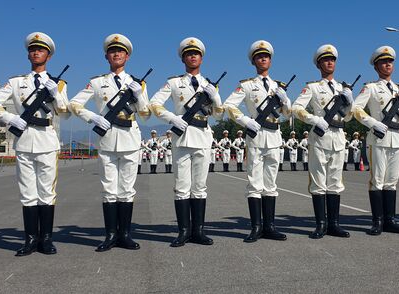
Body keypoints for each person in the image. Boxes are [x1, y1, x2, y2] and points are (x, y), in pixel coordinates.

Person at [0, 32, 70, 256]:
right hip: (24, 141)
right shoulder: (16, 82)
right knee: (27, 193)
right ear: (28, 54)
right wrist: (9, 118)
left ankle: (46, 239)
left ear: (48, 56)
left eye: (40, 50)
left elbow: (65, 112)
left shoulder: (58, 84)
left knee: (47, 193)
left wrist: (56, 95)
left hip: (47, 140)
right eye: (33, 49)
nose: (36, 52)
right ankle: (30, 239)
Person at [70, 33, 149, 251]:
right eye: (113, 51)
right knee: (108, 190)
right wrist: (93, 118)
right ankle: (110, 235)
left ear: (127, 56)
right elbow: (74, 104)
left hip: (130, 139)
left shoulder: (136, 83)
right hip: (106, 140)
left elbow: (145, 115)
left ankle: (125, 234)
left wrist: (139, 95)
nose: (117, 54)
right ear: (107, 56)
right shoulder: (97, 82)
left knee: (126, 189)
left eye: (121, 51)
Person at [149, 37, 224, 247]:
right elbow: (154, 104)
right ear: (183, 58)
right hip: (182, 137)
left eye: (196, 53)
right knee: (182, 187)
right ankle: (183, 231)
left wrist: (215, 97)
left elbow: (218, 114)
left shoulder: (209, 84)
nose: (193, 56)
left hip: (202, 136)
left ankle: (198, 231)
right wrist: (172, 118)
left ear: (202, 58)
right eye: (189, 53)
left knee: (199, 187)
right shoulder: (174, 83)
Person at [224, 40, 292, 242]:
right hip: (255, 136)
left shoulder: (278, 86)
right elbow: (229, 106)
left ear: (270, 60)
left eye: (266, 56)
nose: (263, 59)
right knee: (255, 183)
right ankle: (256, 227)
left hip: (274, 136)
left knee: (270, 183)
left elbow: (288, 114)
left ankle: (270, 226)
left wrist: (285, 100)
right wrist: (246, 121)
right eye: (259, 56)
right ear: (254, 61)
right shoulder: (247, 85)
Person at [292, 44, 352, 238]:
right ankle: (321, 224)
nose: (330, 62)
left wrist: (350, 102)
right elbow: (296, 108)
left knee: (335, 182)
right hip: (319, 138)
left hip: (338, 137)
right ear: (319, 64)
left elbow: (348, 117)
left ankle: (334, 224)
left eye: (332, 59)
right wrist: (314, 119)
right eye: (326, 60)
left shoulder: (343, 88)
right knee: (318, 182)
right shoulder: (312, 87)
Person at [351, 46, 399, 235]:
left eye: (390, 61)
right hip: (378, 138)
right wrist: (372, 123)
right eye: (384, 62)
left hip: (397, 138)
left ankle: (390, 220)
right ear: (376, 67)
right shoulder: (371, 87)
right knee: (377, 180)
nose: (388, 64)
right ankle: (377, 221)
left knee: (391, 182)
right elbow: (356, 109)